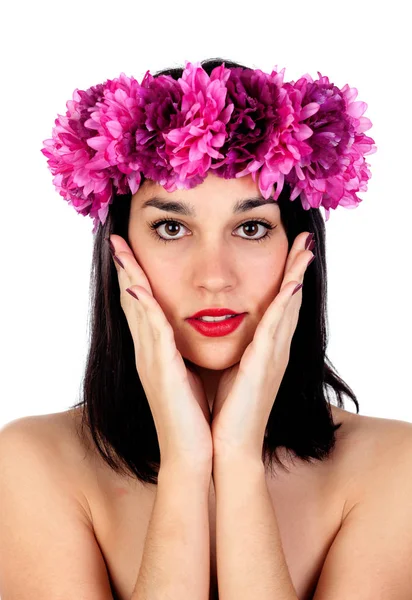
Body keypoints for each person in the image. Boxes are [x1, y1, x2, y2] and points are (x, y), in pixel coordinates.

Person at [1, 57, 411, 600]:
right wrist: (185, 465)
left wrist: (238, 461)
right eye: (172, 227)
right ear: (118, 251)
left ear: (301, 247)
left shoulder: (394, 468)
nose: (214, 277)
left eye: (251, 227)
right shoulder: (32, 463)